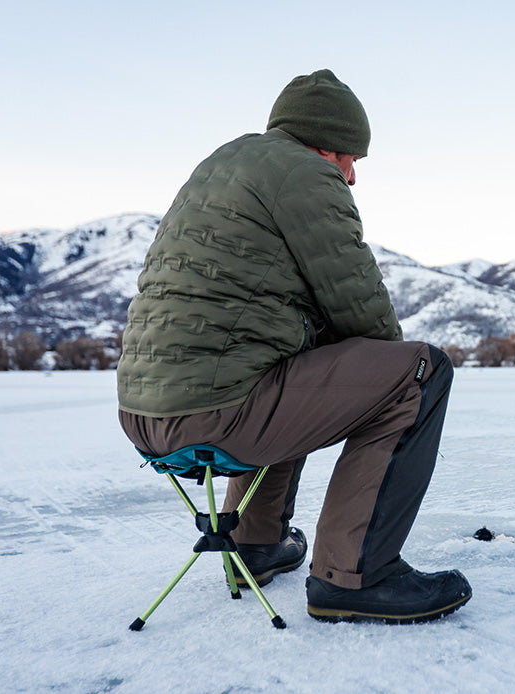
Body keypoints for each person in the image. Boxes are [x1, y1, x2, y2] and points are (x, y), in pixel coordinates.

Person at [116, 69, 471, 623]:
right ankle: (354, 576)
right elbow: (357, 299)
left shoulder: (220, 166)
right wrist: (393, 376)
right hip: (222, 415)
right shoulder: (304, 174)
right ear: (326, 144)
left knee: (287, 370)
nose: (352, 176)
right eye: (352, 158)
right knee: (420, 371)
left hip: (144, 414)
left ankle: (254, 547)